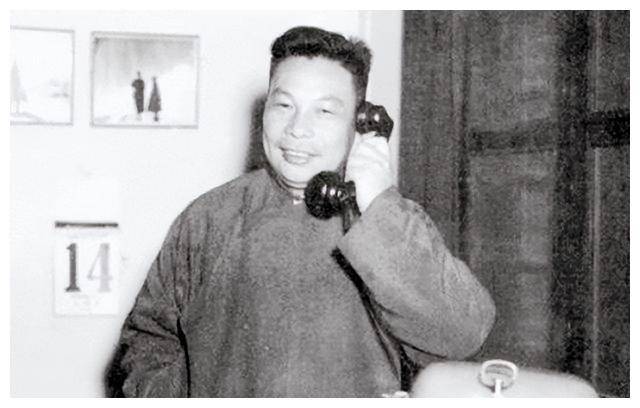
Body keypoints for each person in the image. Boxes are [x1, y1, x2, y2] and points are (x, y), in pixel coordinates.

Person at [107, 26, 495, 397]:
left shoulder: (389, 222)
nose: (297, 129)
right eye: (284, 105)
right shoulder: (207, 218)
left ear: (360, 123)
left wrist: (378, 204)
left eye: (324, 111)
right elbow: (148, 342)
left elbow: (462, 334)